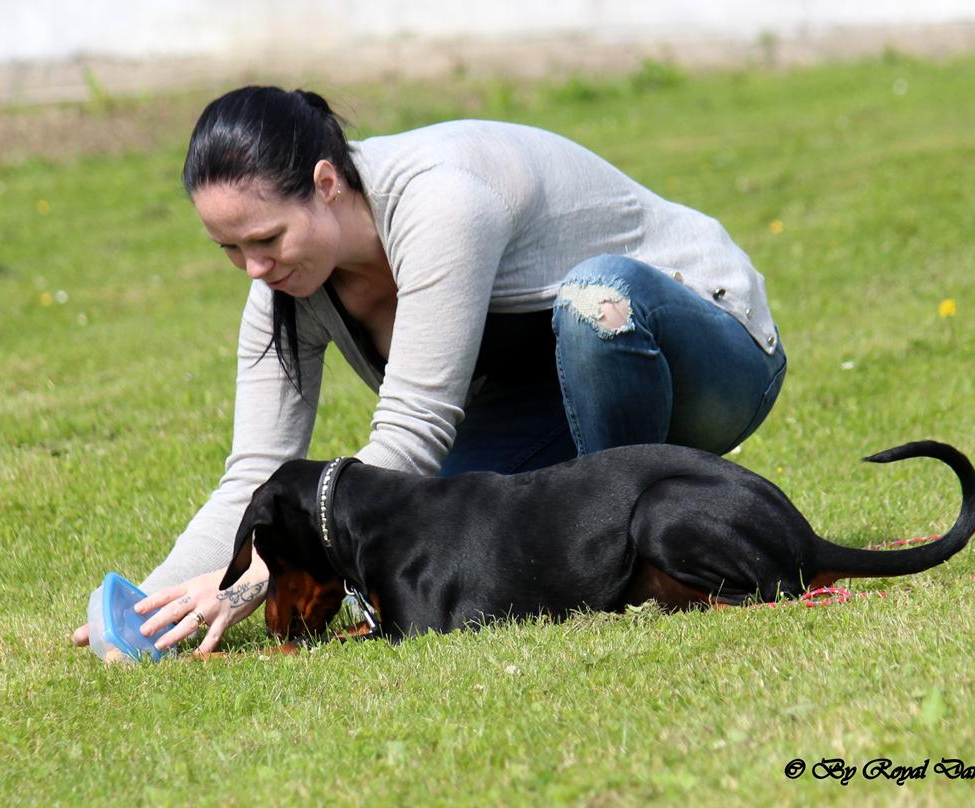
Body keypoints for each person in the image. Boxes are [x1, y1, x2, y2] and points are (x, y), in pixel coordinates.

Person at [71, 86, 787, 654]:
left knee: (595, 300)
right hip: (556, 394)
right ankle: (606, 551)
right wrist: (149, 606)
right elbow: (254, 472)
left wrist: (246, 580)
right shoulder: (285, 286)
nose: (253, 269)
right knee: (429, 528)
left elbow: (410, 435)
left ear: (326, 182)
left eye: (265, 238)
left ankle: (630, 561)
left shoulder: (441, 201)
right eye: (230, 250)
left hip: (716, 354)